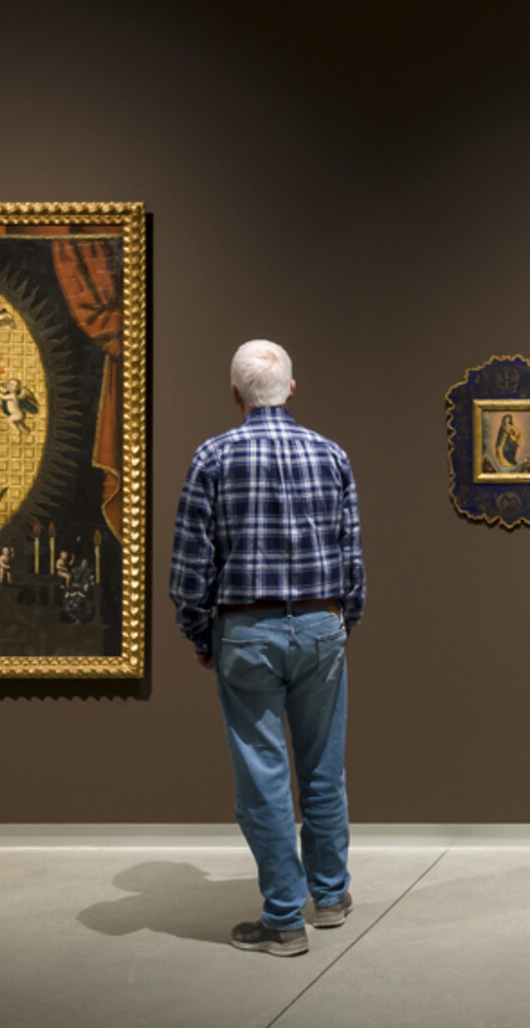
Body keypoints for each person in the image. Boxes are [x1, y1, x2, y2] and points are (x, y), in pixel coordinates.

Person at [169, 340, 367, 958]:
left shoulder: (212, 457)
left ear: (236, 394)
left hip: (246, 631)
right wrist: (339, 623)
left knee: (264, 778)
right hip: (319, 627)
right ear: (292, 388)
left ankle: (284, 918)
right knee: (323, 770)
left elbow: (188, 568)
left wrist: (201, 634)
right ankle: (330, 897)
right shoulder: (331, 454)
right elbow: (351, 559)